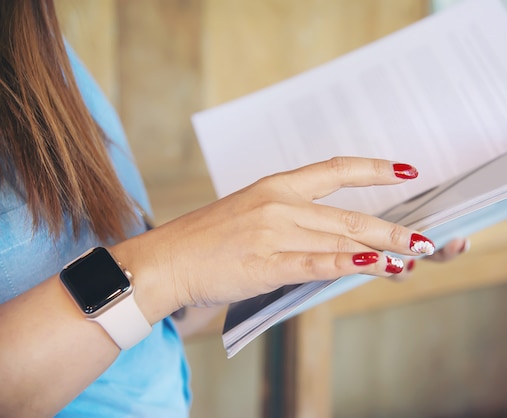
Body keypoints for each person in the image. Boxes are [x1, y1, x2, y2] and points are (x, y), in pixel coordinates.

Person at [0, 1, 468, 417]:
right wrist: (170, 263)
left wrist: (304, 255)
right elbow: (150, 279)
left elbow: (143, 313)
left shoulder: (39, 42)